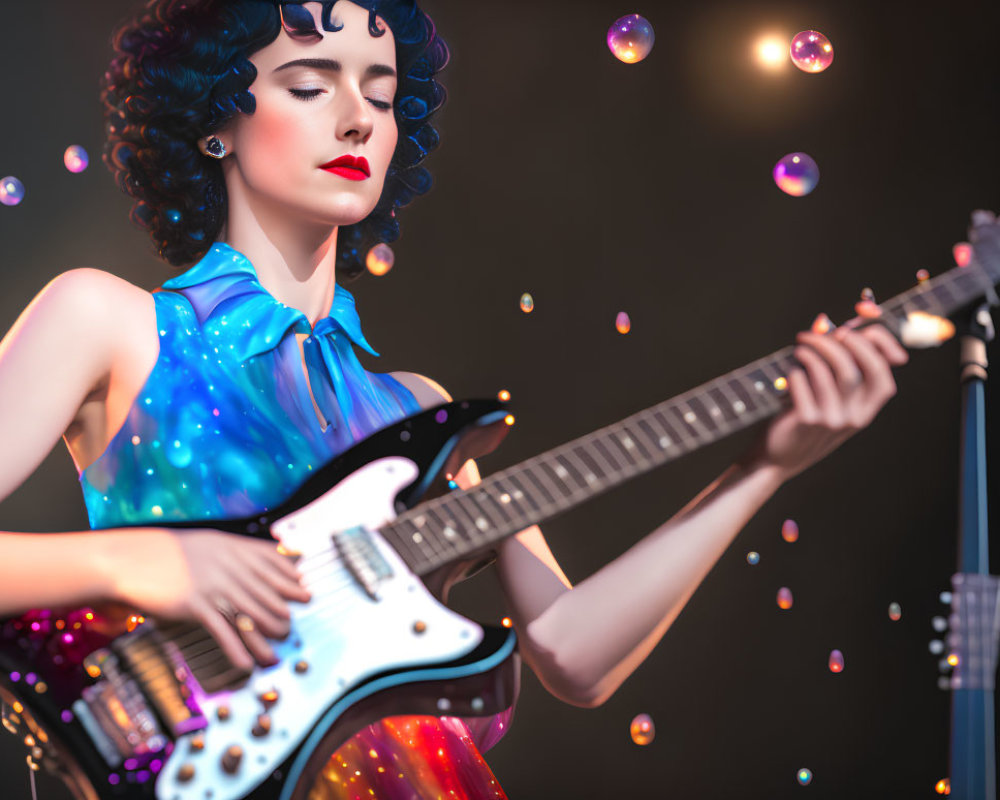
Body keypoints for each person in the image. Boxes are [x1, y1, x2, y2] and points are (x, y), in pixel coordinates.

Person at [0, 1, 908, 797]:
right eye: (311, 86)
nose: (358, 120)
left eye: (384, 95)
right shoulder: (107, 320)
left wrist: (762, 470)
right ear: (215, 123)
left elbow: (571, 652)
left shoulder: (418, 411)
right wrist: (136, 563)